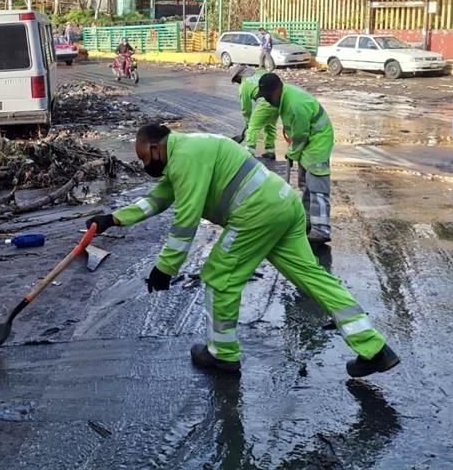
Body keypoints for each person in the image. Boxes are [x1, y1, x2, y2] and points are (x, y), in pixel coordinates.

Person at [86, 124, 400, 377]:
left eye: (143, 158)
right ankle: (374, 348)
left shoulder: (185, 158)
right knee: (313, 277)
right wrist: (112, 219)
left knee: (220, 275)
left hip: (256, 214)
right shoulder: (187, 151)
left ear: (156, 147)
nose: (144, 165)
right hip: (283, 204)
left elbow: (186, 220)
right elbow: (157, 199)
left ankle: (222, 354)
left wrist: (165, 268)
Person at [257, 73, 333, 244]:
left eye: (269, 95)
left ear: (278, 89)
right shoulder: (284, 98)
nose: (268, 100)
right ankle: (307, 221)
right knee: (305, 183)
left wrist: (292, 153)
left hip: (318, 142)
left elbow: (300, 135)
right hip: (308, 140)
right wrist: (293, 152)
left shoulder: (295, 105)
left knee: (317, 185)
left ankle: (321, 230)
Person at [229, 64, 278, 160]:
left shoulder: (244, 86)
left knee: (253, 126)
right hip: (277, 101)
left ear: (238, 76)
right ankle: (270, 151)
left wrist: (248, 122)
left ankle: (249, 151)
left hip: (265, 103)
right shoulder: (260, 72)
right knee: (270, 125)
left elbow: (246, 109)